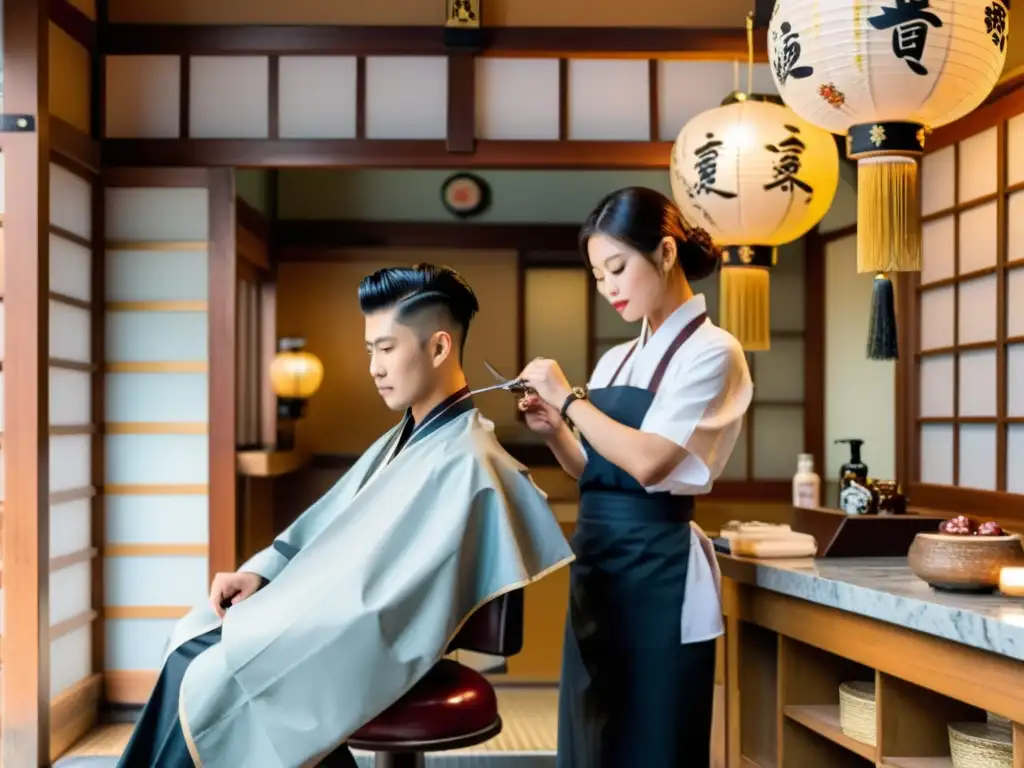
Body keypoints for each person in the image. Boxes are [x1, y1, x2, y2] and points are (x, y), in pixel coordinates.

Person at [117, 264, 574, 768]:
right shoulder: (408, 437)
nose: (374, 367)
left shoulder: (471, 461)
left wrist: (291, 609)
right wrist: (263, 572)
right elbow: (326, 528)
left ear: (439, 347)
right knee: (192, 633)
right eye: (369, 351)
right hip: (339, 618)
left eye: (386, 348)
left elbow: (399, 601)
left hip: (374, 636)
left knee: (209, 673)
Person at [516, 187, 753, 767]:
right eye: (598, 276)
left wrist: (570, 402)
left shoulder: (714, 351)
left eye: (617, 268)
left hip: (657, 568)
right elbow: (595, 471)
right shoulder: (615, 358)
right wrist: (555, 431)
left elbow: (649, 463)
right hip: (597, 562)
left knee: (652, 735)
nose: (609, 288)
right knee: (591, 730)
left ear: (666, 253)